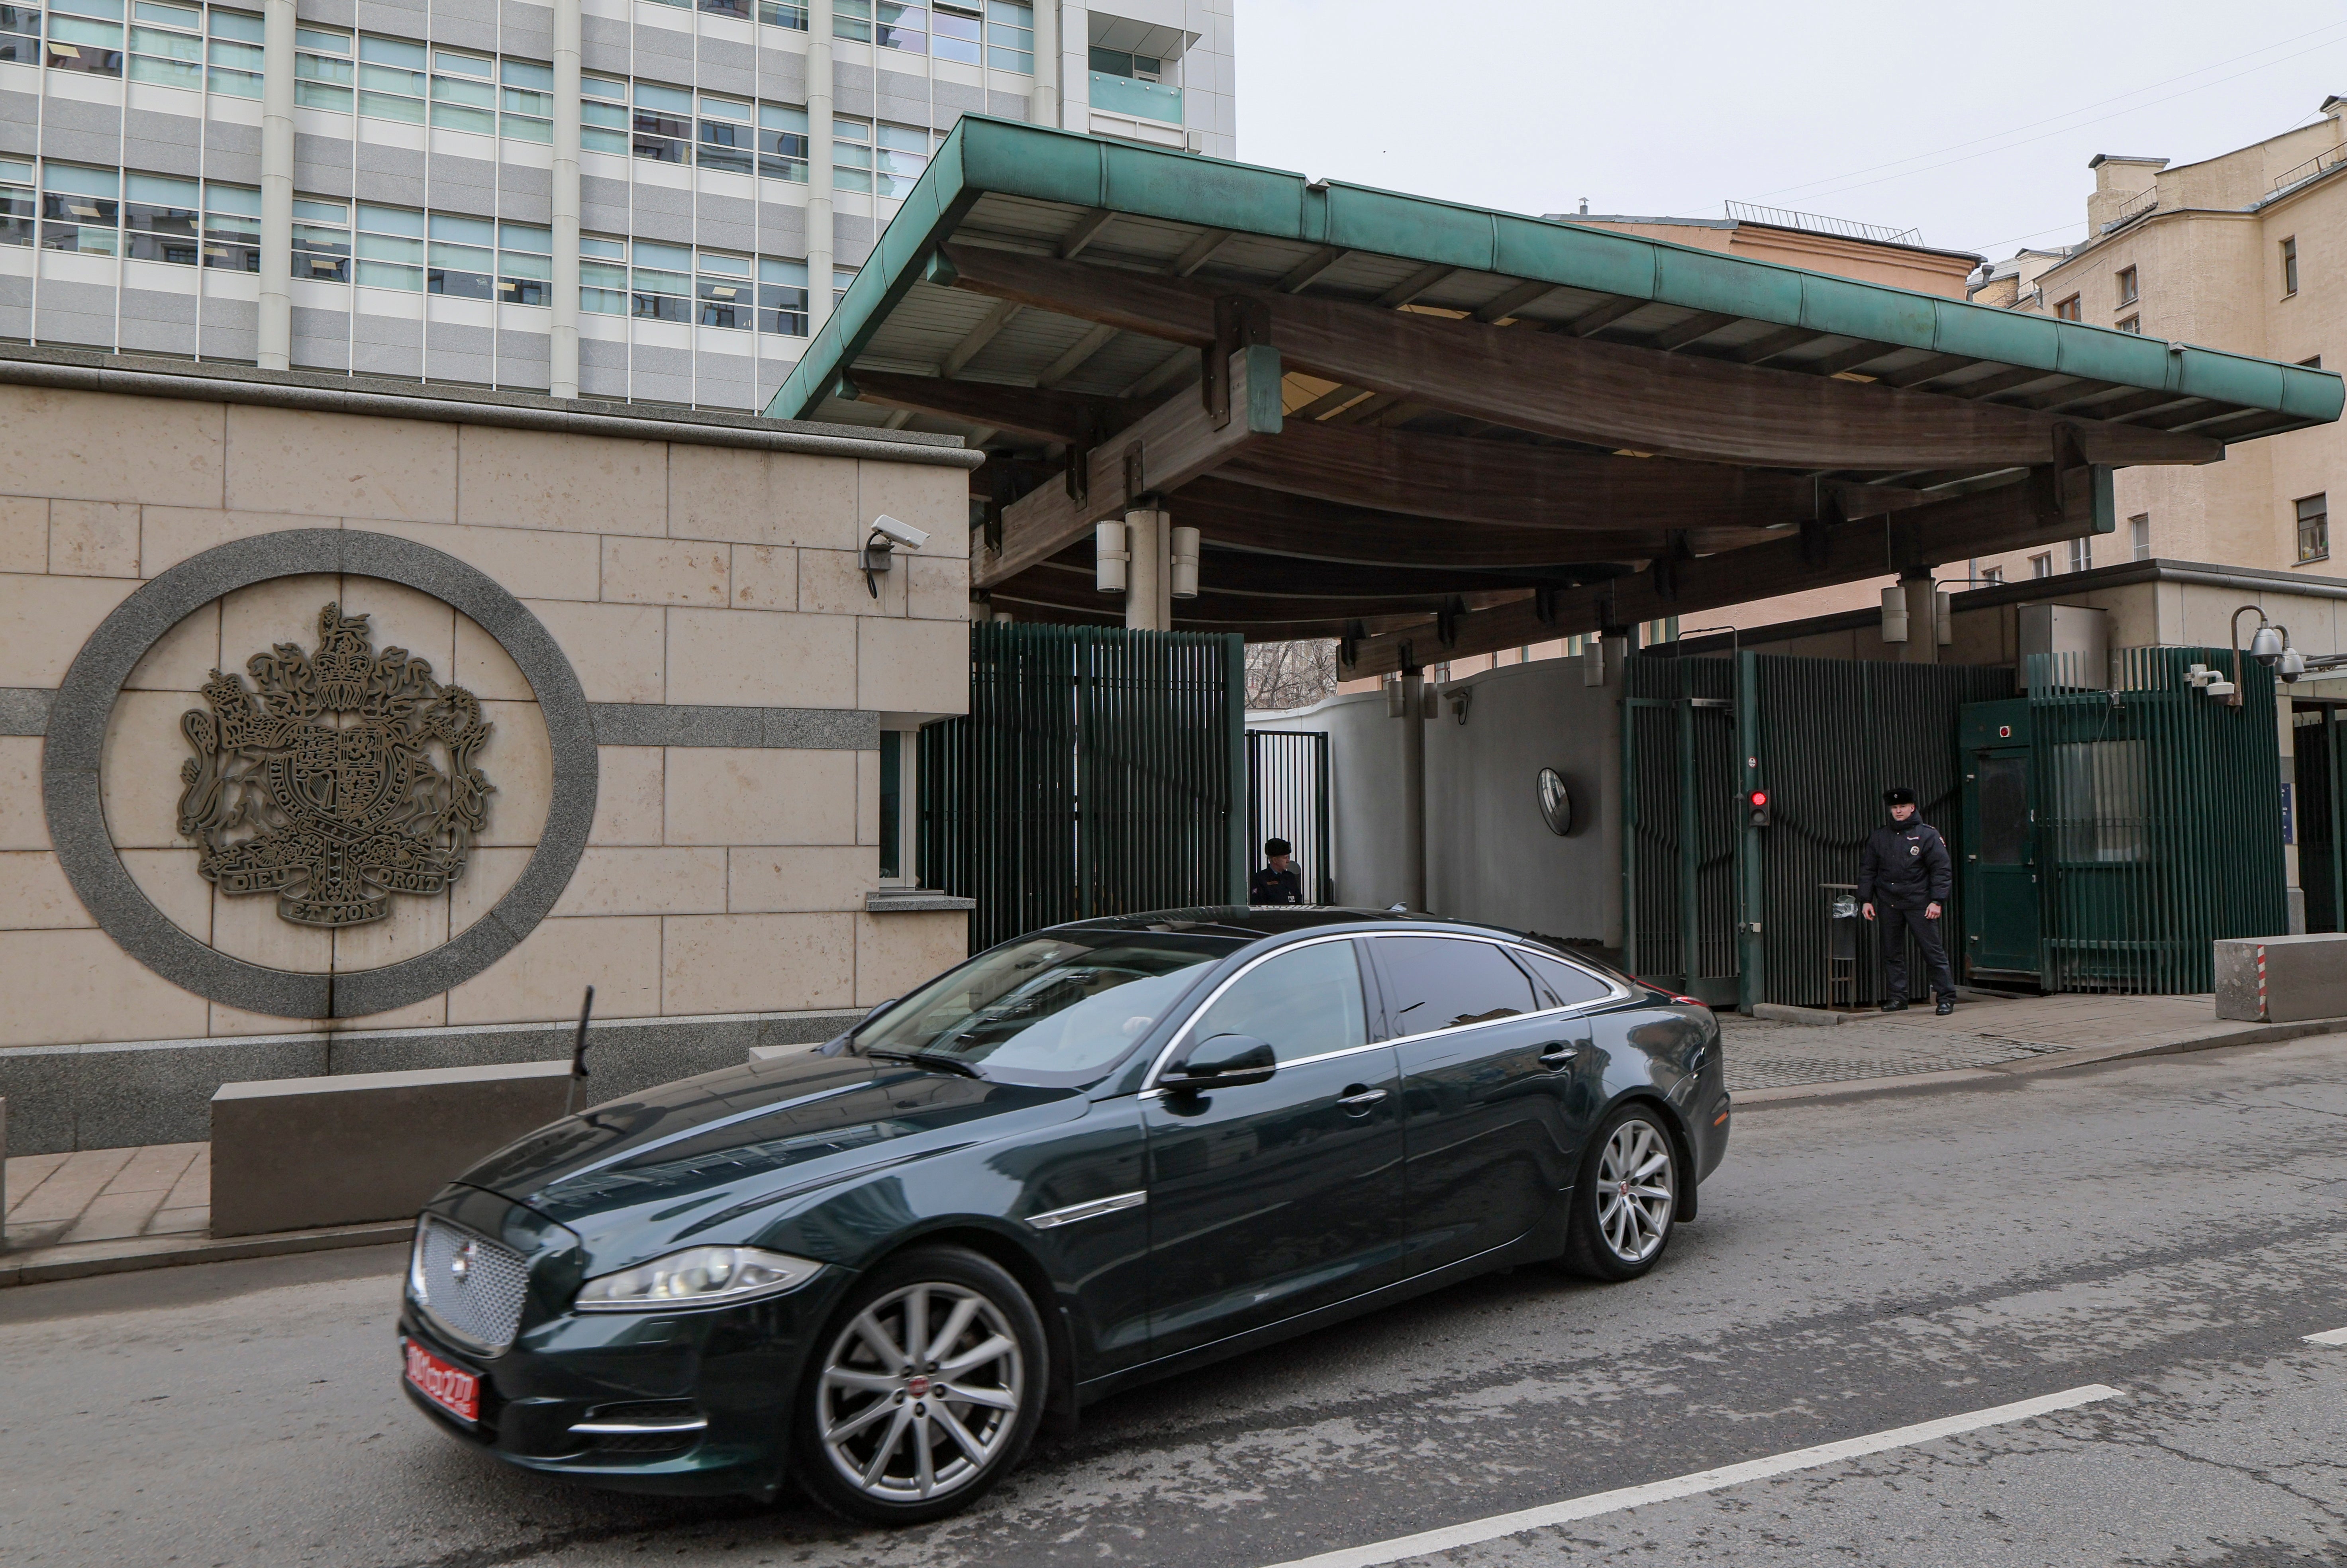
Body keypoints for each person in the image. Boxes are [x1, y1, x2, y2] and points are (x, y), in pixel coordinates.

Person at [1858, 786, 1958, 1015]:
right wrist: (1866, 899)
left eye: (1902, 807)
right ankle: (1897, 998)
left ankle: (1945, 998)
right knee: (1892, 953)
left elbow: (1941, 870)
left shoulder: (1927, 835)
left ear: (1912, 808)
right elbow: (1868, 870)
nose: (1898, 811)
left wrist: (1937, 901)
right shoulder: (1880, 836)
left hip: (1919, 902)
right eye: (1895, 808)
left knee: (1932, 952)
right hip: (1889, 901)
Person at [1248, 838, 1304, 906]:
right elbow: (1258, 906)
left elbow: (1298, 901)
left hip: (1291, 916)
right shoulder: (1260, 879)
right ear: (1275, 860)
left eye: (1288, 857)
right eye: (1285, 858)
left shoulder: (1290, 877)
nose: (1288, 861)